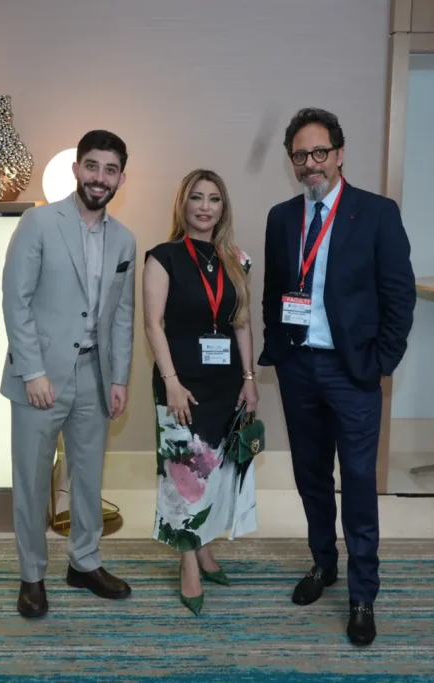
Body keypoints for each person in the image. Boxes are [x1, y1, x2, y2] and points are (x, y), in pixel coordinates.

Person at [259, 108, 415, 645]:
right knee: (311, 477)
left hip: (353, 373)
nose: (310, 163)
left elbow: (399, 296)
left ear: (340, 154)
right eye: (300, 155)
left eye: (319, 152)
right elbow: (274, 293)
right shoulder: (282, 217)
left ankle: (362, 593)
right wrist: (280, 351)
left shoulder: (376, 213)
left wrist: (381, 362)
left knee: (359, 483)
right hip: (298, 369)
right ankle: (323, 563)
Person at [0, 129, 137, 618]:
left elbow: (122, 315)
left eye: (110, 170)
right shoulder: (38, 222)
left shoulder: (125, 239)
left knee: (88, 478)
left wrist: (119, 378)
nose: (100, 178)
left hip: (95, 376)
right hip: (41, 377)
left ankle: (84, 562)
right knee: (33, 481)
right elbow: (15, 300)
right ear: (77, 169)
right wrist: (32, 371)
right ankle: (32, 576)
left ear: (121, 178)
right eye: (92, 166)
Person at [143, 169, 259, 616]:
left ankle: (205, 546)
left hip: (226, 384)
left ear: (222, 207)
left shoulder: (236, 259)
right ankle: (188, 562)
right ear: (183, 204)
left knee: (216, 472)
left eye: (214, 198)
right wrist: (171, 382)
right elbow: (153, 325)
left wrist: (249, 379)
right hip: (182, 384)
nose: (205, 207)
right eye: (197, 197)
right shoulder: (163, 257)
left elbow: (241, 322)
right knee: (184, 477)